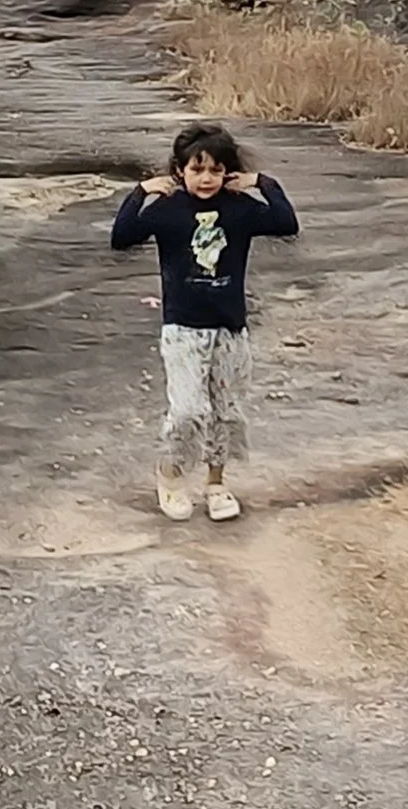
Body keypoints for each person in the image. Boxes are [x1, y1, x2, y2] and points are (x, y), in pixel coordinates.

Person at [109, 121, 298, 522]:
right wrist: (141, 191)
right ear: (180, 171)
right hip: (182, 328)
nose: (206, 178)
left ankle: (216, 482)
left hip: (229, 328)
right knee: (188, 410)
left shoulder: (240, 209)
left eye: (215, 169)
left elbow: (286, 222)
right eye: (197, 169)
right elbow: (122, 236)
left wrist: (261, 182)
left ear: (227, 171)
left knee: (225, 410)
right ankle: (171, 473)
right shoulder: (168, 211)